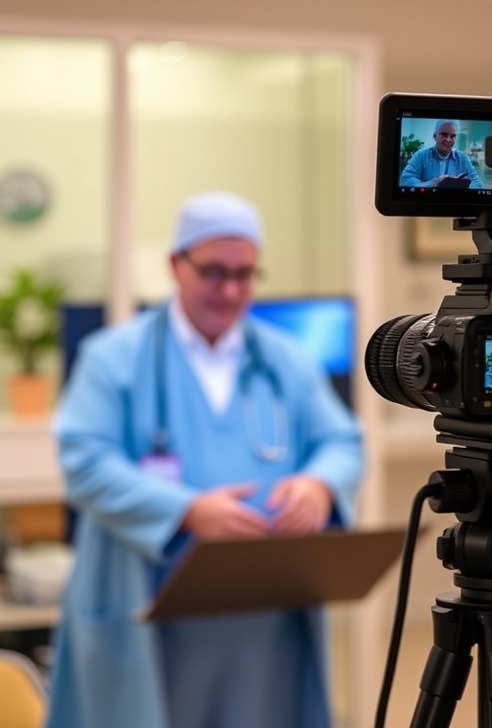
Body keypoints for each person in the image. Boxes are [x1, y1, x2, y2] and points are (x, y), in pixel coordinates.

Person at [45, 192, 364, 728]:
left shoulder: (286, 360)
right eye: (214, 272)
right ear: (176, 265)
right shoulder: (114, 358)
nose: (231, 290)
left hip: (263, 621)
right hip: (150, 612)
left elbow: (342, 441)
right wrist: (186, 510)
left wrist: (320, 484)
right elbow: (85, 461)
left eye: (245, 274)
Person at [400, 120, 483, 189]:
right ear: (434, 136)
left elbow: (476, 181)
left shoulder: (463, 158)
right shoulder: (421, 155)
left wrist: (463, 186)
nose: (448, 139)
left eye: (453, 136)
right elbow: (407, 177)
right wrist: (433, 184)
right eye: (444, 134)